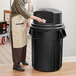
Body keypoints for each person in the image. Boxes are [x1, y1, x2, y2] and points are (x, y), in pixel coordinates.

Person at [11, 0, 44, 72]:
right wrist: (37, 18)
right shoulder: (17, 1)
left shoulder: (23, 1)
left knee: (23, 43)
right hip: (16, 25)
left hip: (21, 24)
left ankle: (23, 60)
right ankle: (16, 65)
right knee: (18, 45)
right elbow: (25, 13)